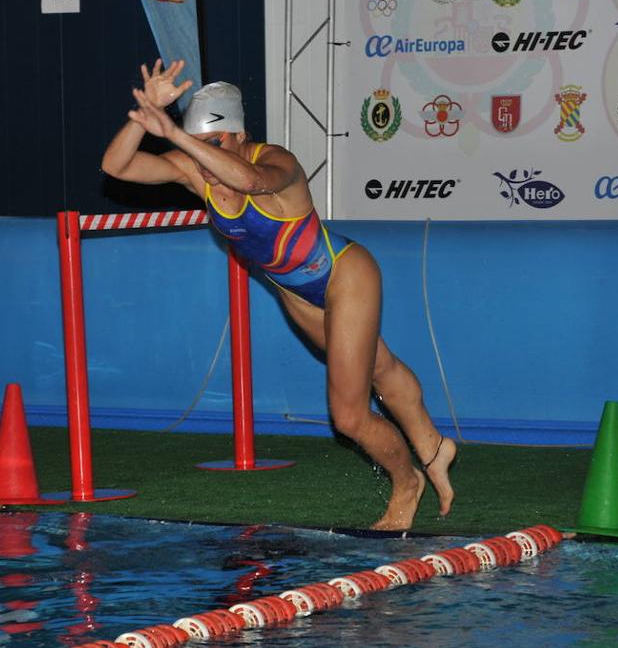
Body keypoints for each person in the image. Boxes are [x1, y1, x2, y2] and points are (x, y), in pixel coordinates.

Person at [101, 59, 456, 530]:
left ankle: (406, 482)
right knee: (378, 368)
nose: (205, 157)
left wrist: (177, 135)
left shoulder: (277, 161)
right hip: (296, 292)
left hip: (343, 274)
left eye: (215, 143)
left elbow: (248, 182)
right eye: (200, 144)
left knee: (348, 417)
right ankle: (434, 447)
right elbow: (116, 166)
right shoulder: (196, 170)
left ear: (239, 135)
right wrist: (141, 118)